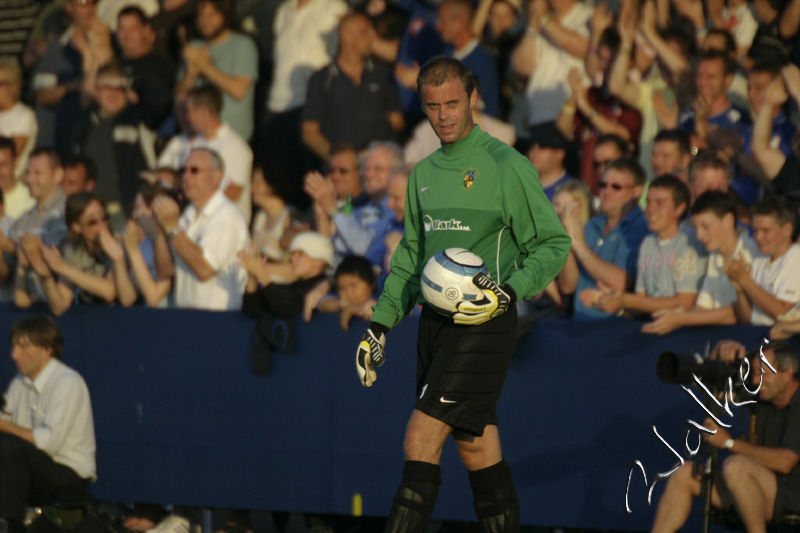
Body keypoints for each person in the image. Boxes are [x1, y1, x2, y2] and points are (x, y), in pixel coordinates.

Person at [355, 56, 570, 531]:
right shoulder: (422, 173)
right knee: (476, 449)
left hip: (483, 322)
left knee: (419, 439)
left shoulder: (506, 165)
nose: (444, 115)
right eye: (433, 106)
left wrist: (508, 292)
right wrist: (380, 325)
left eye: (453, 103)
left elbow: (554, 244)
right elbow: (410, 257)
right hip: (432, 325)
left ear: (472, 98)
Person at [651, 339, 800, 533]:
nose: (755, 381)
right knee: (684, 473)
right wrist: (716, 356)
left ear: (788, 373)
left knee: (736, 466)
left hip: (792, 497)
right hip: (755, 490)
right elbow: (715, 391)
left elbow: (785, 462)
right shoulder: (763, 393)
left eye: (762, 373)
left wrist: (728, 442)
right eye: (754, 373)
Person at [0, 315, 96, 533]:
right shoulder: (19, 381)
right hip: (33, 470)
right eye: (14, 346)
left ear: (46, 349)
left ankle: (10, 525)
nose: (14, 355)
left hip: (68, 477)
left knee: (8, 448)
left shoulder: (68, 383)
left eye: (23, 348)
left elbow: (50, 442)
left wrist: (5, 427)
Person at [594, 175, 707, 318]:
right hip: (654, 329)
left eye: (659, 203)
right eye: (648, 202)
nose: (650, 210)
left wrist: (626, 300)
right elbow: (642, 304)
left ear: (680, 208)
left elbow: (684, 303)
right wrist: (614, 303)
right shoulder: (647, 243)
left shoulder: (690, 242)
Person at [153, 147, 248, 310]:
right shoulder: (185, 217)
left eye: (194, 170)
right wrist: (161, 230)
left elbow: (204, 269)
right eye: (183, 170)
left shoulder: (226, 215)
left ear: (216, 177)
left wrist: (172, 227)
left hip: (218, 319)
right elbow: (165, 271)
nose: (186, 177)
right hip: (187, 317)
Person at [558, 157, 648, 320]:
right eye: (603, 185)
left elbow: (620, 283)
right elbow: (568, 286)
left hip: (614, 329)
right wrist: (567, 239)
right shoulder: (592, 225)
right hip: (580, 323)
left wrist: (579, 246)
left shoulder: (642, 226)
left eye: (616, 187)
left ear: (637, 191)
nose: (607, 191)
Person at [16, 192, 117, 315]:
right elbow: (59, 307)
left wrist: (62, 267)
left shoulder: (117, 246)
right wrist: (47, 277)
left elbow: (109, 292)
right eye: (92, 222)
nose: (102, 226)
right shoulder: (74, 252)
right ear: (76, 227)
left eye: (104, 217)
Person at [175, 0, 258, 140]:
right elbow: (179, 96)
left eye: (212, 14)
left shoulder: (242, 45)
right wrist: (190, 75)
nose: (205, 20)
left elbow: (238, 90)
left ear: (225, 15)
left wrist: (203, 65)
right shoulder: (195, 47)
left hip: (232, 138)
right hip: (195, 138)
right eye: (201, 15)